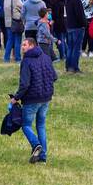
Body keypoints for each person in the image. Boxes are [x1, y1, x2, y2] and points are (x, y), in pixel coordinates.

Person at [14, 36, 57, 164]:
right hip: (46, 98)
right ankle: (42, 157)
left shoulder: (26, 61)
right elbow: (54, 77)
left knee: (26, 125)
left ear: (32, 46)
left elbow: (25, 84)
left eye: (25, 45)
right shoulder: (46, 57)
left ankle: (36, 145)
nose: (22, 47)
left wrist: (16, 98)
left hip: (32, 99)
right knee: (41, 126)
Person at [63, 0, 87, 72]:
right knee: (76, 49)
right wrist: (84, 24)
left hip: (69, 26)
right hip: (77, 27)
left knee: (70, 48)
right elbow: (79, 14)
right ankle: (74, 67)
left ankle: (68, 66)